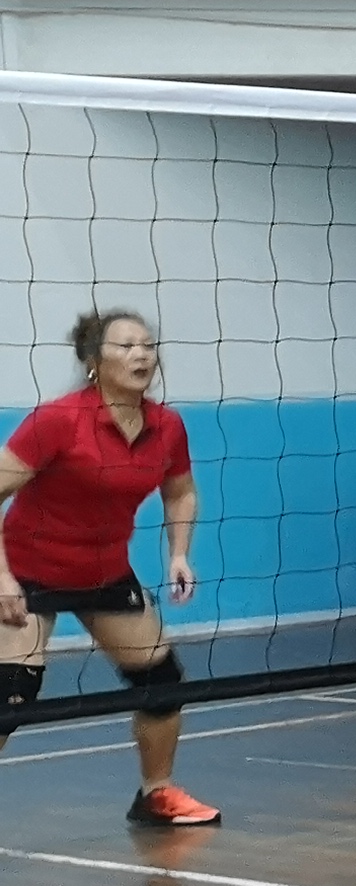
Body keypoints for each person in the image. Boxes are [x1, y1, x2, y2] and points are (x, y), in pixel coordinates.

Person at [0, 308, 219, 827]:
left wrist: (179, 553)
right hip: (27, 570)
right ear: (94, 361)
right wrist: (2, 578)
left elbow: (181, 491)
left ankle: (156, 794)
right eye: (126, 346)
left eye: (148, 345)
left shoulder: (167, 426)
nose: (142, 354)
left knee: (162, 682)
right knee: (11, 691)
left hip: (103, 573)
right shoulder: (58, 421)